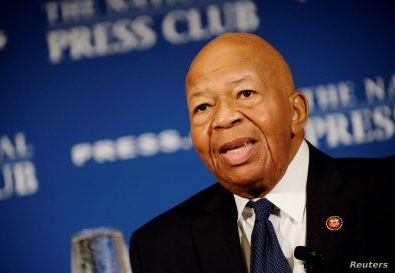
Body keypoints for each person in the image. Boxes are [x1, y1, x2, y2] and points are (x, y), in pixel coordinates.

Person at [129, 33, 394, 273]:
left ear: (295, 112)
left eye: (245, 93)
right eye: (203, 107)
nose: (223, 118)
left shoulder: (385, 191)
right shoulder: (159, 250)